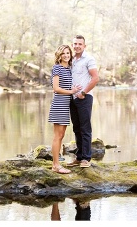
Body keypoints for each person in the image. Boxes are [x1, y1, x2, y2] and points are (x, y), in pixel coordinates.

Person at [48, 44, 82, 174]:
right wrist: (71, 91)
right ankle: (56, 165)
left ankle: (56, 164)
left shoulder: (69, 68)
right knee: (58, 136)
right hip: (59, 103)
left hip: (66, 104)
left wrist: (77, 90)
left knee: (61, 135)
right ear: (59, 55)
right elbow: (55, 88)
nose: (66, 55)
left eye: (68, 53)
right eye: (64, 53)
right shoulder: (57, 68)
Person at [66, 35, 99, 169]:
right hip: (72, 98)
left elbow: (95, 78)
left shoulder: (89, 59)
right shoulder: (71, 60)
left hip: (84, 98)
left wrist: (83, 93)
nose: (77, 46)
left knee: (85, 128)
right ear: (72, 45)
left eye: (80, 44)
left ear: (84, 46)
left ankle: (86, 158)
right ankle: (79, 157)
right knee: (76, 128)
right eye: (75, 44)